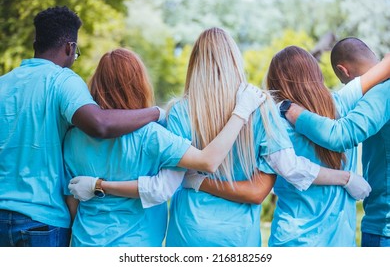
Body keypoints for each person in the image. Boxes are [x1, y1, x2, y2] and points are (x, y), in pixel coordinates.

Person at [69, 28, 370, 247]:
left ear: (195, 64)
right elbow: (290, 168)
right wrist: (344, 177)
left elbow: (165, 185)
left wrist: (194, 179)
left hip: (188, 235)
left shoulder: (179, 112)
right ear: (234, 60)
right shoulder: (261, 108)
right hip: (238, 239)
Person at [0, 6, 166, 247]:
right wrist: (156, 112)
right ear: (70, 47)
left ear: (36, 42)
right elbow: (100, 124)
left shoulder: (4, 83)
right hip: (41, 221)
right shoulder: (62, 80)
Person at [63, 48, 264, 246]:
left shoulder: (73, 137)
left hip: (86, 241)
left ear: (96, 83)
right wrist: (241, 111)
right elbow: (205, 162)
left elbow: (72, 200)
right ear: (139, 84)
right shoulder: (152, 135)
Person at [264, 45, 385, 246]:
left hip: (294, 240)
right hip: (339, 243)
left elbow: (290, 168)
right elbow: (381, 70)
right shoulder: (340, 103)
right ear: (315, 74)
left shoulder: (274, 120)